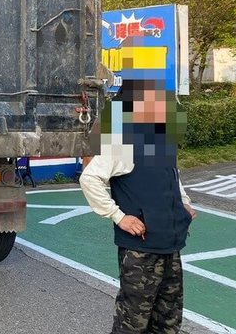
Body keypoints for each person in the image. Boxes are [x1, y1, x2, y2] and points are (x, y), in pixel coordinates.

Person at [80, 79, 196, 334]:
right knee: (133, 322)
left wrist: (184, 203)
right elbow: (89, 178)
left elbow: (173, 176)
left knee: (168, 320)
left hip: (170, 244)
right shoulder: (122, 141)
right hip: (140, 249)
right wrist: (119, 217)